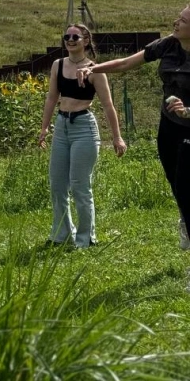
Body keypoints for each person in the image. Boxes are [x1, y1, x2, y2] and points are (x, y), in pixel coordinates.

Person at [79, 5, 190, 250]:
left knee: (184, 183)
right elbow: (126, 63)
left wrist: (188, 111)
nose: (175, 22)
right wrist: (93, 68)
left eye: (182, 20)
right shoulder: (168, 44)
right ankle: (185, 219)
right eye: (178, 16)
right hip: (169, 125)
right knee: (174, 180)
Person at [38, 24, 126, 248]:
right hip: (61, 126)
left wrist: (117, 137)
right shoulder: (58, 65)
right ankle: (61, 235)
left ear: (86, 41)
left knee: (79, 185)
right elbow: (51, 98)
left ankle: (86, 238)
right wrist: (44, 128)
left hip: (84, 128)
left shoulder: (95, 70)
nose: (70, 40)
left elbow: (108, 106)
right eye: (67, 36)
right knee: (57, 185)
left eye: (75, 37)